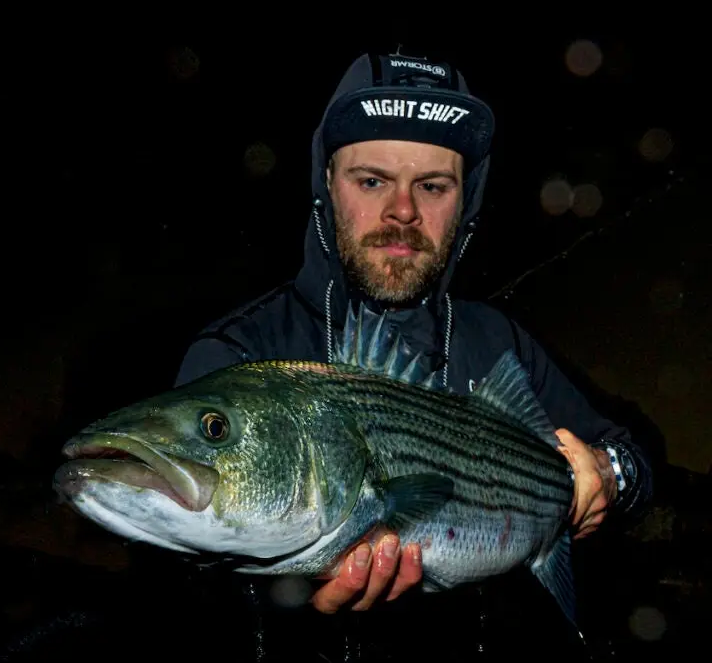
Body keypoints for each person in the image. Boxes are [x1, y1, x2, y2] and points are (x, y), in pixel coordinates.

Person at [173, 51, 654, 661]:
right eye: (371, 180)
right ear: (326, 182)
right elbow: (182, 574)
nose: (403, 211)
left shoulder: (498, 340)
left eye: (432, 186)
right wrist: (283, 607)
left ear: (466, 202)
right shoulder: (239, 354)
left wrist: (610, 475)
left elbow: (636, 459)